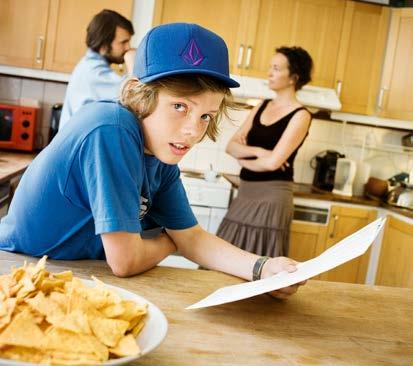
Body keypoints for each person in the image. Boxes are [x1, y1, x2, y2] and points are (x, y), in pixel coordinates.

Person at [0, 23, 304, 299]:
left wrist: (264, 268)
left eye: (205, 116)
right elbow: (125, 260)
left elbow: (193, 237)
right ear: (137, 93)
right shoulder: (112, 128)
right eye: (180, 106)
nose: (193, 131)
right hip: (17, 273)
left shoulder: (161, 156)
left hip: (68, 275)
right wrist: (172, 240)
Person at [217, 46, 313, 258]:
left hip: (273, 195)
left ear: (293, 77)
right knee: (225, 253)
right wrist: (260, 151)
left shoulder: (301, 115)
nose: (269, 73)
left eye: (276, 68)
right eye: (271, 67)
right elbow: (231, 146)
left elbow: (272, 164)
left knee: (260, 259)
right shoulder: (261, 105)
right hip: (246, 191)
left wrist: (244, 160)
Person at [59, 9, 134, 129]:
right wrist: (133, 62)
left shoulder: (88, 65)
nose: (128, 47)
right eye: (123, 42)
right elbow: (131, 96)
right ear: (104, 45)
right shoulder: (93, 71)